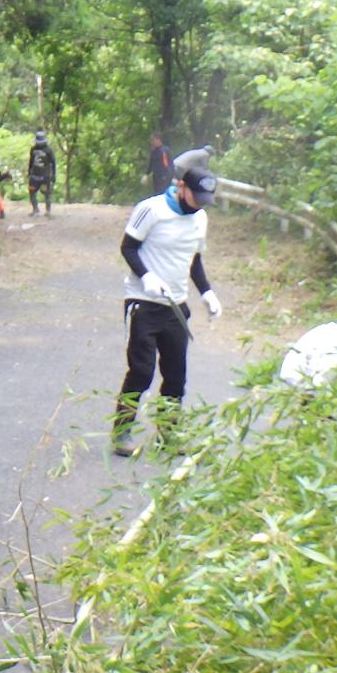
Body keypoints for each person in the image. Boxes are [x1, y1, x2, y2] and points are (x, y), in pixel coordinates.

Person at [112, 166, 223, 458]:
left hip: (176, 305)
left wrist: (207, 293)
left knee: (175, 376)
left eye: (204, 199)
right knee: (142, 371)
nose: (198, 203)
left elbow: (194, 260)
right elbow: (128, 248)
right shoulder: (152, 209)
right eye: (195, 196)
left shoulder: (200, 218)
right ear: (180, 186)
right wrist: (146, 276)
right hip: (143, 303)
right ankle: (122, 431)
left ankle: (168, 434)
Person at [26, 131, 55, 216]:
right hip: (34, 176)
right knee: (32, 192)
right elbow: (31, 161)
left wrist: (53, 174)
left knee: (47, 193)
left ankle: (48, 211)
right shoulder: (33, 149)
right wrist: (29, 171)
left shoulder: (48, 150)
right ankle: (35, 209)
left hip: (45, 176)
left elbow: (53, 163)